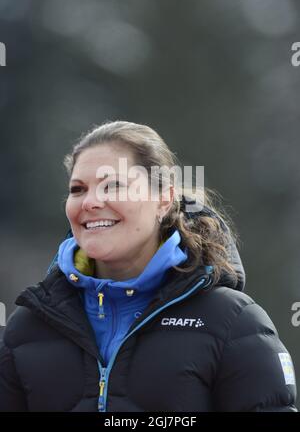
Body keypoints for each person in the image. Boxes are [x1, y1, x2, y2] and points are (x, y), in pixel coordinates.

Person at [0, 121, 297, 412]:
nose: (89, 202)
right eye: (78, 189)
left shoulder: (233, 323)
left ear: (163, 199)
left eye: (112, 185)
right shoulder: (29, 327)